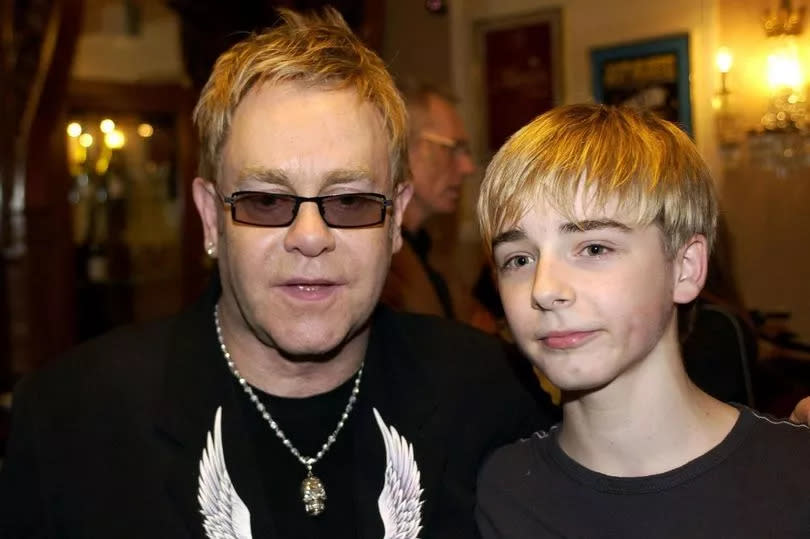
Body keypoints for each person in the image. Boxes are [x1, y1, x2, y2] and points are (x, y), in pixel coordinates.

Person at [0, 8, 556, 538]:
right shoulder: (72, 422)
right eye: (266, 201)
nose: (310, 236)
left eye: (351, 201)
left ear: (395, 220)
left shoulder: (491, 397)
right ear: (209, 219)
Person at [474, 104, 810, 538]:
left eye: (594, 248)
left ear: (685, 268)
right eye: (518, 259)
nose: (543, 288)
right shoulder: (504, 491)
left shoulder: (793, 477)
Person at [380, 81, 479, 322]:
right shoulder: (381, 263)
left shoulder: (428, 249)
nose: (468, 167)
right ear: (406, 150)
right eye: (454, 148)